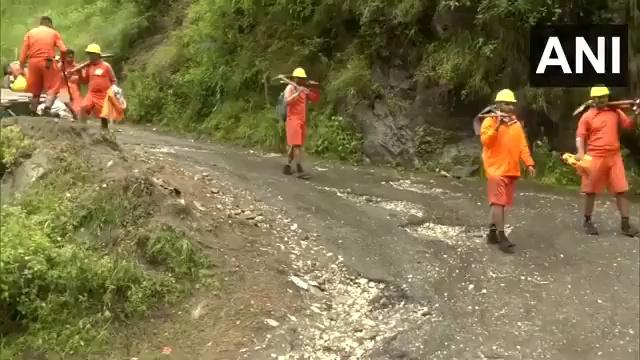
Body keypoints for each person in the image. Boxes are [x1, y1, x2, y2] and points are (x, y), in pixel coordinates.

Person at [575, 86, 639, 237]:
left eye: (603, 96)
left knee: (621, 190)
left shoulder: (615, 112)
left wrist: (636, 114)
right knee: (590, 191)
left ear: (607, 97)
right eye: (597, 97)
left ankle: (625, 224)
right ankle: (587, 221)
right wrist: (580, 152)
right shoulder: (587, 116)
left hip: (614, 156)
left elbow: (629, 126)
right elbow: (580, 135)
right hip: (595, 157)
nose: (600, 100)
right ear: (592, 99)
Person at [480, 89, 536, 253]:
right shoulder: (489, 121)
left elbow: (522, 146)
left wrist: (529, 163)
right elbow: (486, 142)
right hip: (495, 169)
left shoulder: (516, 124)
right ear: (498, 104)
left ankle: (491, 232)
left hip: (510, 169)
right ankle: (501, 235)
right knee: (499, 202)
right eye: (506, 103)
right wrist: (497, 126)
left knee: (502, 203)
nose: (509, 107)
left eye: (511, 104)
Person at [18, 16, 67, 114]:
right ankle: (47, 109)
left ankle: (33, 111)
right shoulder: (53, 33)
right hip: (47, 61)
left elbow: (23, 53)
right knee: (53, 88)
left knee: (36, 90)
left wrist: (21, 68)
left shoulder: (30, 33)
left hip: (33, 63)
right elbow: (63, 50)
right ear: (49, 24)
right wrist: (62, 61)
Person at [283, 67, 320, 179]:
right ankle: (299, 169)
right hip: (292, 120)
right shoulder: (290, 88)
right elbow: (287, 101)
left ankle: (287, 166)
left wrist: (313, 88)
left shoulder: (303, 89)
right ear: (295, 78)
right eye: (301, 78)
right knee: (297, 145)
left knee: (295, 145)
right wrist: (297, 93)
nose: (303, 80)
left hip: (301, 120)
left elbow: (314, 98)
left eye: (304, 78)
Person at [78, 44, 117, 130]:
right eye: (88, 54)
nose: (90, 56)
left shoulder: (106, 66)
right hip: (91, 94)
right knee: (83, 107)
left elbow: (113, 80)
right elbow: (84, 81)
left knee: (104, 114)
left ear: (97, 55)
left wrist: (114, 89)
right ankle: (81, 129)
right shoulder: (89, 67)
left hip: (104, 94)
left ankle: (104, 131)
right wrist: (79, 73)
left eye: (91, 54)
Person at [56, 49, 82, 116]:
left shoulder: (77, 66)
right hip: (63, 88)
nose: (71, 59)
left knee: (78, 107)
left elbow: (82, 79)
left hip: (74, 88)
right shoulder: (60, 66)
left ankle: (77, 115)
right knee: (64, 105)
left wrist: (73, 77)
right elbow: (55, 78)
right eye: (69, 57)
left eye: (72, 57)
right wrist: (64, 75)